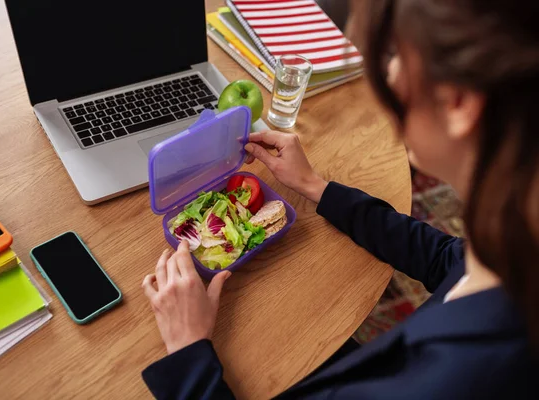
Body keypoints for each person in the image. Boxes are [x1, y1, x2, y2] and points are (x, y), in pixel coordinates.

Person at [140, 0, 538, 398]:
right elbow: (446, 259)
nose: (390, 73)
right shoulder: (514, 247)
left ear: (458, 101)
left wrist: (189, 353)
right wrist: (315, 185)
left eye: (395, 55)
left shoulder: (454, 382)